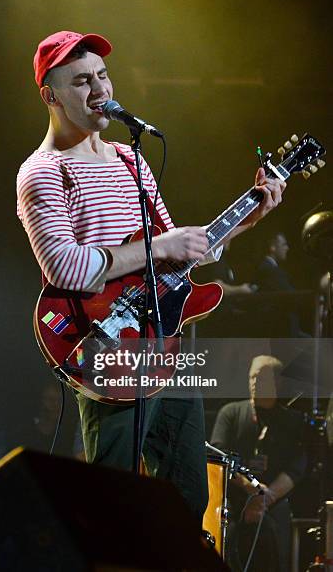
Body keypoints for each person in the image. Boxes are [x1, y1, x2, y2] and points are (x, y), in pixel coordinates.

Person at [16, 29, 286, 527]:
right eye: (80, 81)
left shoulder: (131, 160)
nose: (99, 90)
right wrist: (160, 247)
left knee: (186, 495)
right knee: (113, 498)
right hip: (104, 345)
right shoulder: (42, 172)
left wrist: (248, 218)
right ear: (49, 95)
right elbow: (64, 267)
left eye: (102, 75)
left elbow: (177, 258)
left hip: (165, 345)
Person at [211, 355, 306, 571]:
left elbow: (298, 465)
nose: (254, 382)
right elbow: (220, 457)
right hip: (236, 501)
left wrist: (265, 498)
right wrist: (250, 488)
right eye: (252, 377)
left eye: (261, 378)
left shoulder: (292, 420)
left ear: (277, 383)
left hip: (274, 502)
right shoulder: (231, 413)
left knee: (278, 524)